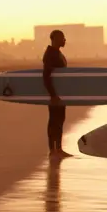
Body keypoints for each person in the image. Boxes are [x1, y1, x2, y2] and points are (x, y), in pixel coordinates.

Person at [42, 29, 71, 158]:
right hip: (54, 94)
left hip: (60, 94)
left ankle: (58, 149)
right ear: (55, 39)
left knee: (60, 120)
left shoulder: (57, 53)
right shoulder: (50, 54)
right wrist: (53, 95)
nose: (64, 40)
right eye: (62, 38)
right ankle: (52, 150)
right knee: (54, 120)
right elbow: (46, 76)